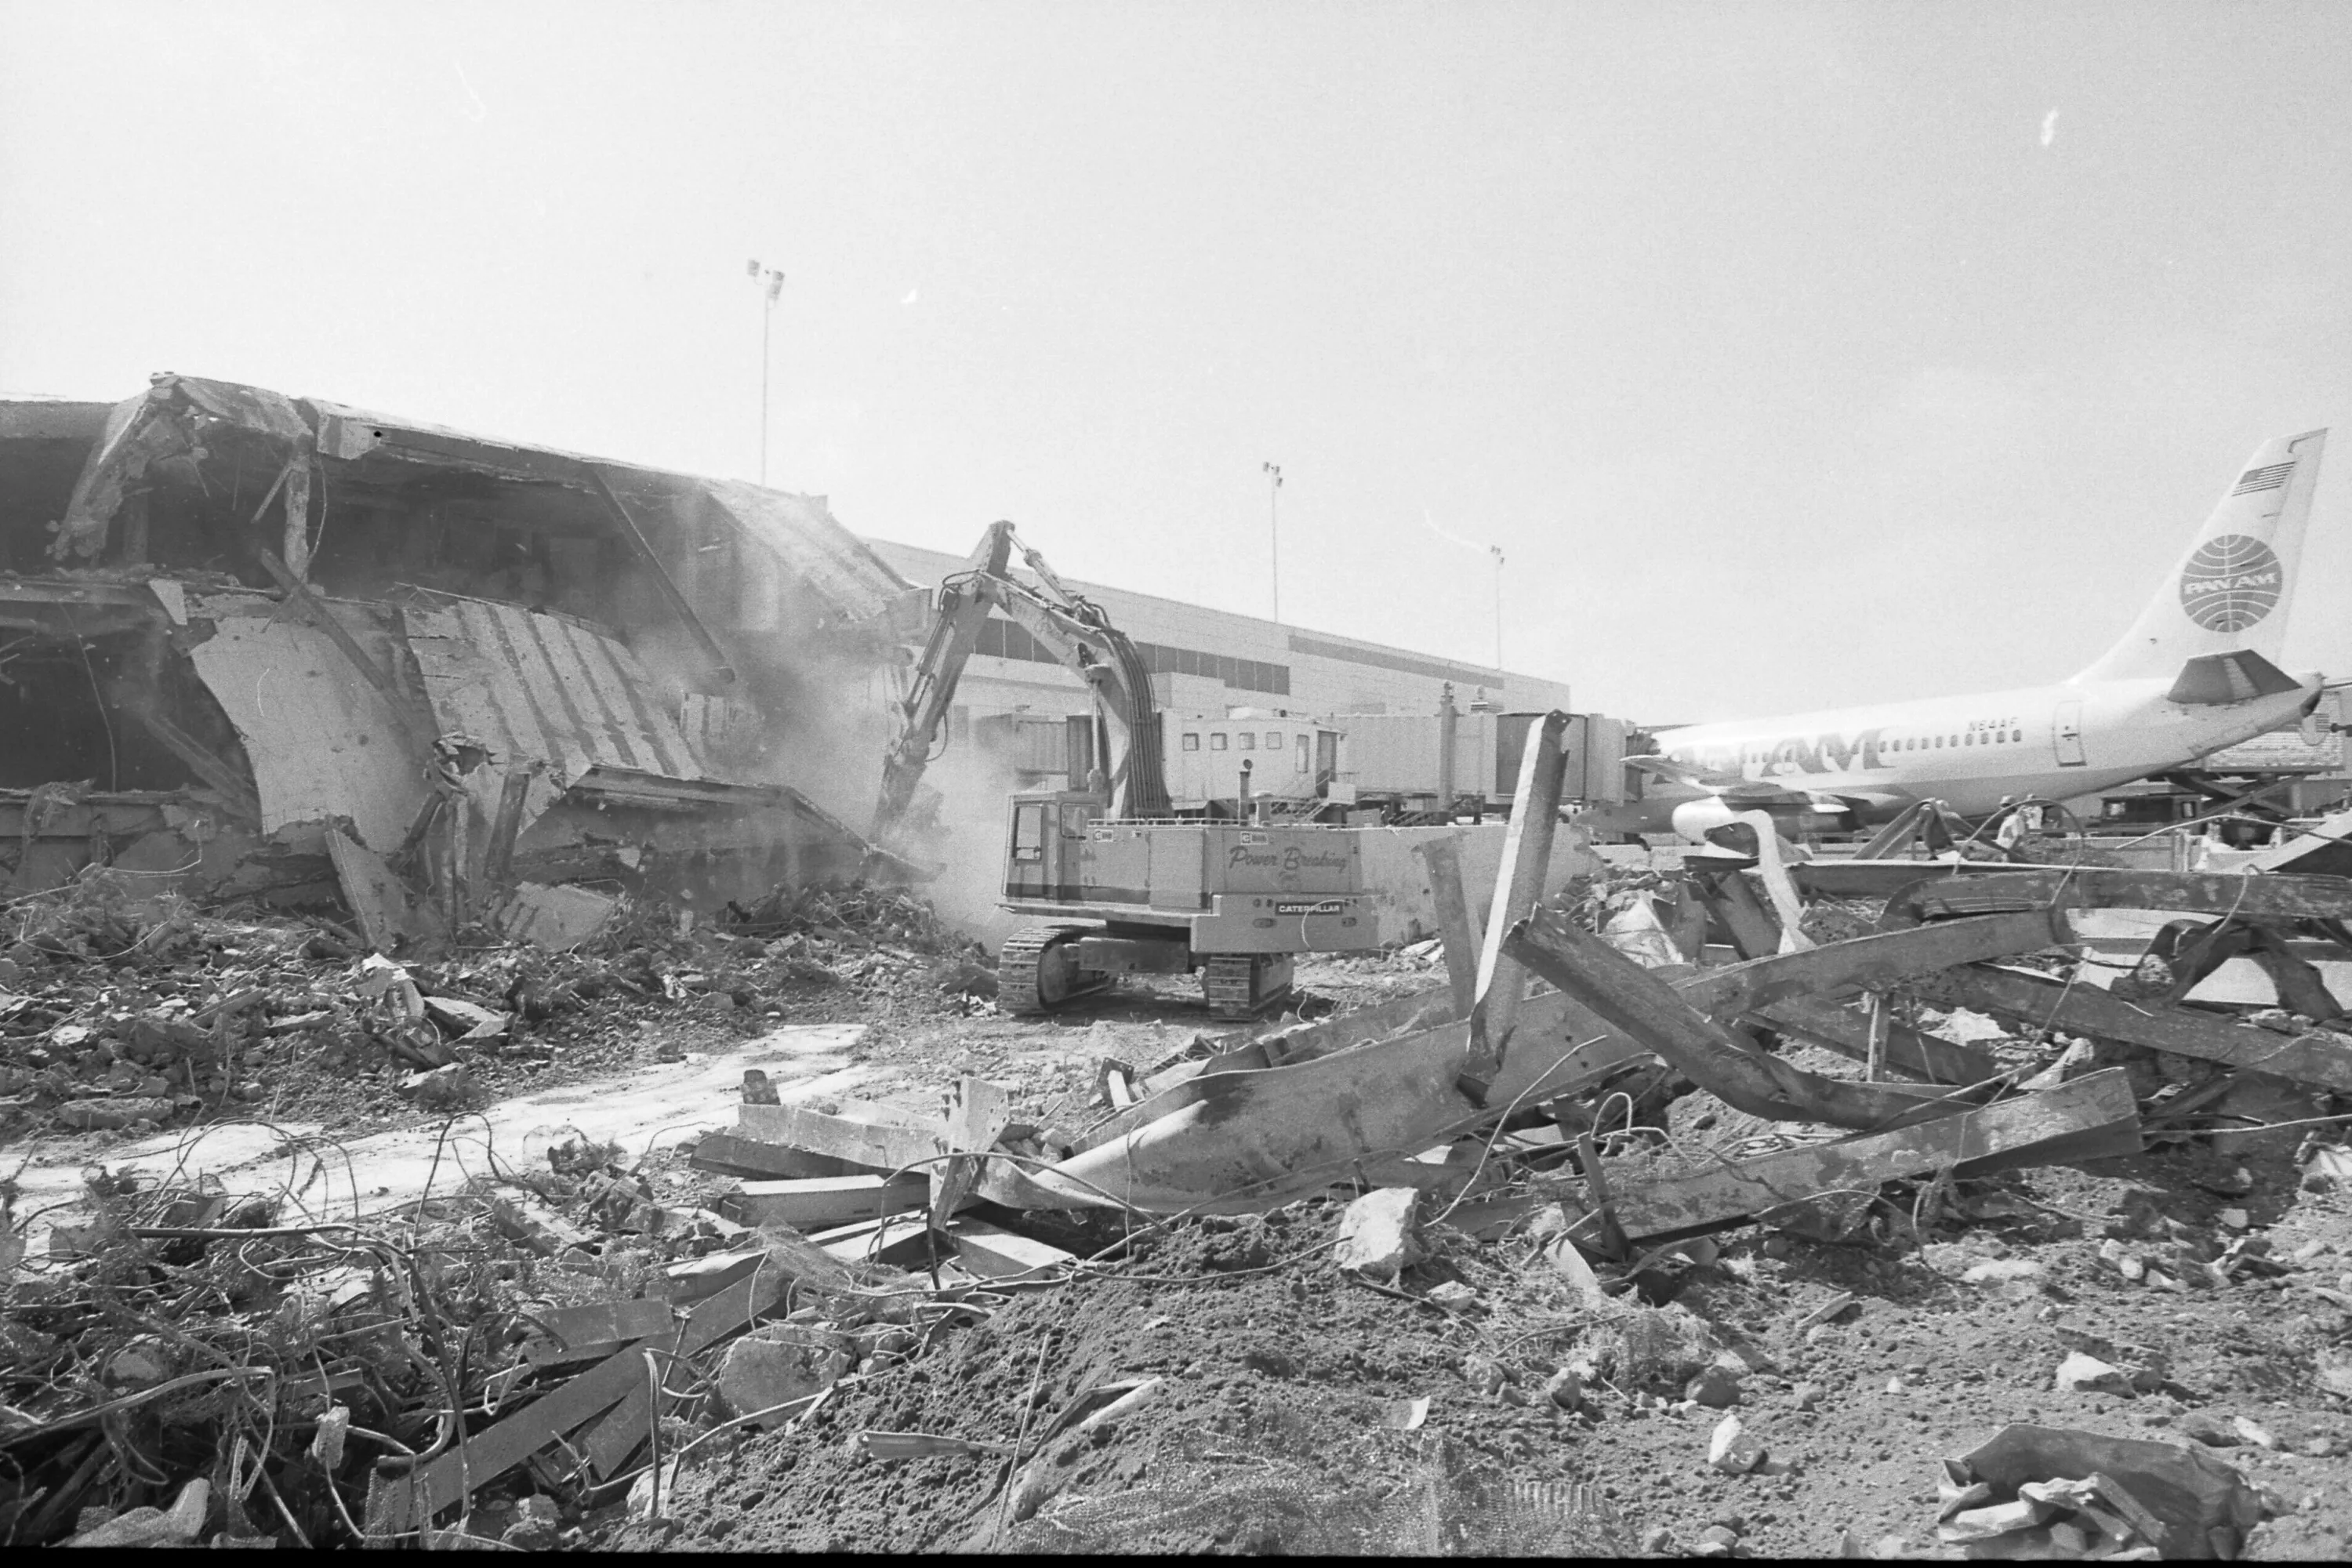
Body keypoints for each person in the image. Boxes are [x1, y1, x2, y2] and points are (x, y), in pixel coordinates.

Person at [1994, 796, 2031, 862]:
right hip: (2006, 853)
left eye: (2003, 806)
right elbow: (2005, 837)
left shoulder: (2016, 819)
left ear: (2009, 807)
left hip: (2012, 854)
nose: (2000, 809)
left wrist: (2009, 852)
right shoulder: (2008, 820)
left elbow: (2019, 836)